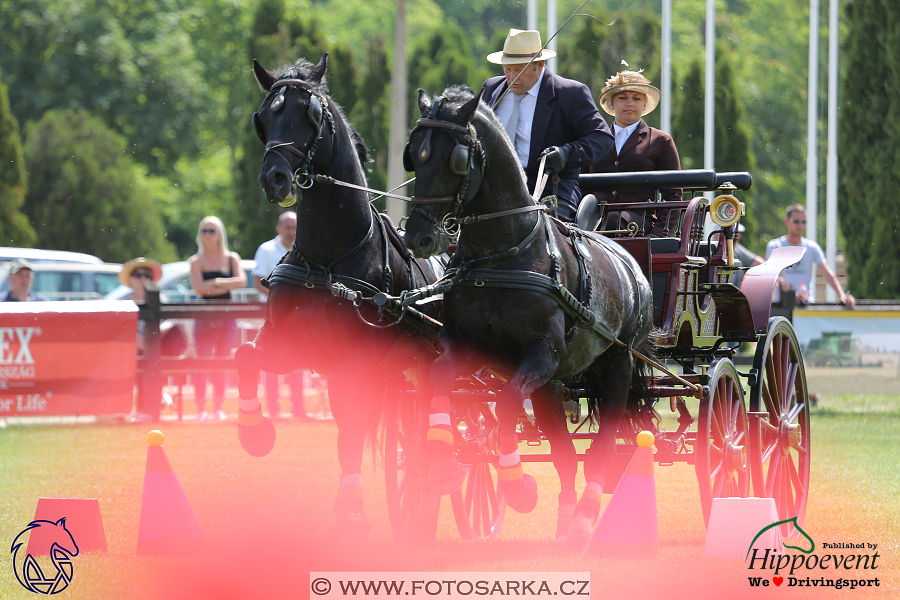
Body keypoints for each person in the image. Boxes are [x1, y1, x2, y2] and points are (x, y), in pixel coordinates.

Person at [481, 28, 613, 222]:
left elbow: (601, 138)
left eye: (519, 70)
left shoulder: (570, 94)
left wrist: (567, 152)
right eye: (507, 69)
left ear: (540, 65)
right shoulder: (491, 88)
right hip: (492, 189)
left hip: (550, 189)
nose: (512, 77)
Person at [585, 69, 682, 236]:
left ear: (644, 104)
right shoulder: (595, 140)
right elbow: (581, 186)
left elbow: (673, 195)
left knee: (614, 220)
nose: (629, 103)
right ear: (612, 102)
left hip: (639, 224)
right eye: (622, 98)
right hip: (595, 221)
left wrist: (659, 234)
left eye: (636, 98)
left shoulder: (660, 140)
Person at [251, 211, 309, 420]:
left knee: (299, 359)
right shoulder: (266, 250)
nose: (292, 231)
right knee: (270, 360)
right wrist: (282, 300)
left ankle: (299, 408)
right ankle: (273, 408)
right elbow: (258, 281)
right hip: (273, 317)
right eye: (288, 227)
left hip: (297, 317)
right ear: (279, 229)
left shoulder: (306, 250)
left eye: (295, 227)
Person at [189, 216, 247, 421]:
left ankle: (219, 408)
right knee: (202, 362)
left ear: (220, 233)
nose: (208, 234)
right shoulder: (196, 261)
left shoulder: (232, 258)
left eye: (212, 230)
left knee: (222, 361)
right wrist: (224, 284)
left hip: (227, 316)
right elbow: (199, 288)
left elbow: (241, 281)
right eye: (204, 230)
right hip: (204, 316)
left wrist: (214, 282)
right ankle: (200, 409)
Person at [766, 204, 855, 308]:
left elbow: (827, 273)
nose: (800, 225)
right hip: (783, 306)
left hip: (807, 305)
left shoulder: (812, 247)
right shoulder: (776, 246)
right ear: (787, 222)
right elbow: (776, 277)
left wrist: (842, 295)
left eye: (803, 222)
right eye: (796, 221)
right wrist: (791, 294)